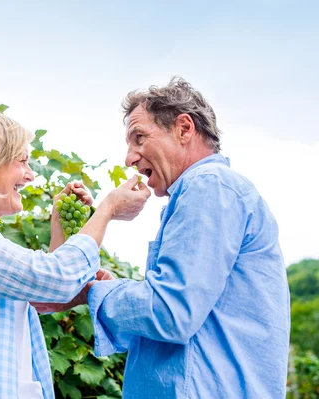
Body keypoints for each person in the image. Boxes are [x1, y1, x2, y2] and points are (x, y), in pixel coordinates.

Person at [43, 77, 290, 398]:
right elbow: (189, 316)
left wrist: (94, 291)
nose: (129, 158)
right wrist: (121, 289)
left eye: (139, 138)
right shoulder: (215, 190)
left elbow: (171, 313)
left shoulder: (207, 186)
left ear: (184, 128)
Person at [0, 111, 149, 399]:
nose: (30, 174)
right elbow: (57, 277)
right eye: (21, 161)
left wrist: (59, 229)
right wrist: (107, 209)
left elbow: (45, 293)